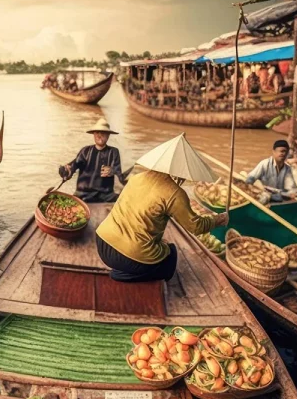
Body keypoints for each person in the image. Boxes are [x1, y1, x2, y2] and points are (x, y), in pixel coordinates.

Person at [95, 137, 229, 283]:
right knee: (171, 255)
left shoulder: (137, 178)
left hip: (102, 242)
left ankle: (124, 270)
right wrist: (219, 219)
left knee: (156, 244)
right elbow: (195, 227)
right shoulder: (175, 193)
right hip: (129, 256)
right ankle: (125, 275)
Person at [58, 118, 127, 203]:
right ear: (93, 134)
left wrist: (112, 171)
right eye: (97, 132)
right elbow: (74, 165)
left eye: (103, 133)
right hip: (84, 194)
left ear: (108, 135)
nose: (99, 135)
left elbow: (119, 175)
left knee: (126, 201)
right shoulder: (85, 151)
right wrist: (67, 170)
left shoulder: (114, 152)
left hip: (106, 195)